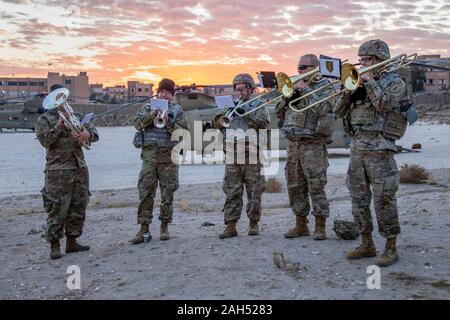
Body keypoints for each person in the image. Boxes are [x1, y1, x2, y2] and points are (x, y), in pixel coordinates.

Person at [335, 39, 410, 267]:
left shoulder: (395, 82)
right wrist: (349, 92)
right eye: (362, 59)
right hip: (357, 148)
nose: (363, 63)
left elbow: (384, 105)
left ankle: (390, 247)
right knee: (358, 198)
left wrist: (369, 82)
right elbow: (338, 111)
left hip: (380, 149)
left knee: (383, 198)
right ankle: (366, 243)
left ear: (380, 60)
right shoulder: (357, 84)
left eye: (368, 59)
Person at [276, 54, 336, 241]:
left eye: (303, 67)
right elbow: (279, 112)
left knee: (316, 185)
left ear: (315, 68)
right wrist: (288, 97)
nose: (299, 70)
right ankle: (300, 224)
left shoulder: (326, 87)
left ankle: (320, 226)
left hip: (313, 144)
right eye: (298, 67)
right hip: (293, 144)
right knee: (294, 185)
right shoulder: (293, 87)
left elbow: (324, 109)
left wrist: (307, 89)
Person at [35, 84, 99, 259]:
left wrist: (87, 134)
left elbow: (94, 133)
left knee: (78, 205)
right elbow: (45, 141)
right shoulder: (44, 119)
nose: (60, 102)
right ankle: (54, 245)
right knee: (57, 208)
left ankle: (72, 242)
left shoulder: (76, 115)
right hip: (58, 171)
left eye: (62, 97)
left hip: (79, 168)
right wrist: (59, 125)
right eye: (56, 98)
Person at [131, 78, 189, 244]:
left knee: (167, 194)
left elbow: (183, 132)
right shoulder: (148, 107)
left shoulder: (177, 110)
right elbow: (136, 123)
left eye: (167, 92)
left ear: (172, 95)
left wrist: (168, 121)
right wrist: (152, 115)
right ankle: (143, 229)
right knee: (145, 193)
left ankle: (164, 226)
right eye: (161, 91)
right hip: (149, 158)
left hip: (168, 158)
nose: (163, 94)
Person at [212, 73, 270, 239]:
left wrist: (246, 112)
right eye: (236, 89)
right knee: (232, 190)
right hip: (232, 153)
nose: (239, 92)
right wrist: (223, 114)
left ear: (250, 89)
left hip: (251, 152)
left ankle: (253, 223)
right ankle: (231, 225)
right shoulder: (230, 104)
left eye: (242, 89)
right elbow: (217, 124)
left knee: (254, 190)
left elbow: (263, 123)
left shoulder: (258, 103)